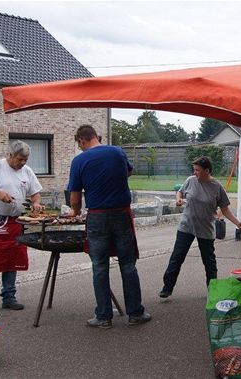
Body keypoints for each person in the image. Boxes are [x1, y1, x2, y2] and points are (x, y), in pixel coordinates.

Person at [68, 125, 150, 329]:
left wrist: (75, 212)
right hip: (122, 214)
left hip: (97, 217)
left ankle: (104, 317)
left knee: (100, 267)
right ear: (97, 136)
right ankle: (135, 313)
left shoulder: (79, 161)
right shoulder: (117, 152)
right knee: (128, 265)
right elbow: (128, 172)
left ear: (81, 140)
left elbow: (75, 197)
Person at [159, 156, 241, 299]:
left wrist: (237, 223)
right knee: (177, 257)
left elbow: (225, 209)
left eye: (198, 170)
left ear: (207, 170)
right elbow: (180, 191)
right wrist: (178, 198)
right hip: (186, 226)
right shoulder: (190, 181)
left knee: (209, 262)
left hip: (205, 229)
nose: (195, 173)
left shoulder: (217, 187)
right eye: (194, 170)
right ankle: (167, 288)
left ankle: (213, 290)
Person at [0, 141, 43, 315]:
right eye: (20, 159)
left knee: (13, 258)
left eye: (26, 159)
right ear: (11, 155)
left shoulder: (27, 171)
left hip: (17, 221)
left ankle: (9, 297)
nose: (23, 163)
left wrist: (36, 203)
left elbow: (35, 192)